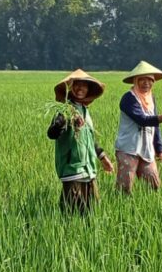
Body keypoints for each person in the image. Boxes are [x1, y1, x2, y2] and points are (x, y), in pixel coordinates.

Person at [47, 69, 114, 214]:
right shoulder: (64, 110)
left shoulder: (84, 110)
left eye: (84, 85)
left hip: (89, 170)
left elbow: (89, 139)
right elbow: (52, 133)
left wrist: (103, 157)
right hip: (73, 169)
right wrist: (60, 124)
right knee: (70, 212)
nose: (80, 88)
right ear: (70, 88)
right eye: (77, 84)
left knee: (91, 211)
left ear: (88, 89)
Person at [115, 61, 162, 193]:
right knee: (125, 187)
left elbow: (155, 124)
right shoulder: (128, 98)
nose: (146, 83)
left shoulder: (151, 98)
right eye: (142, 79)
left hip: (146, 149)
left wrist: (160, 148)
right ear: (135, 81)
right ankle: (123, 209)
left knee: (154, 185)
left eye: (150, 80)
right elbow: (143, 120)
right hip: (128, 149)